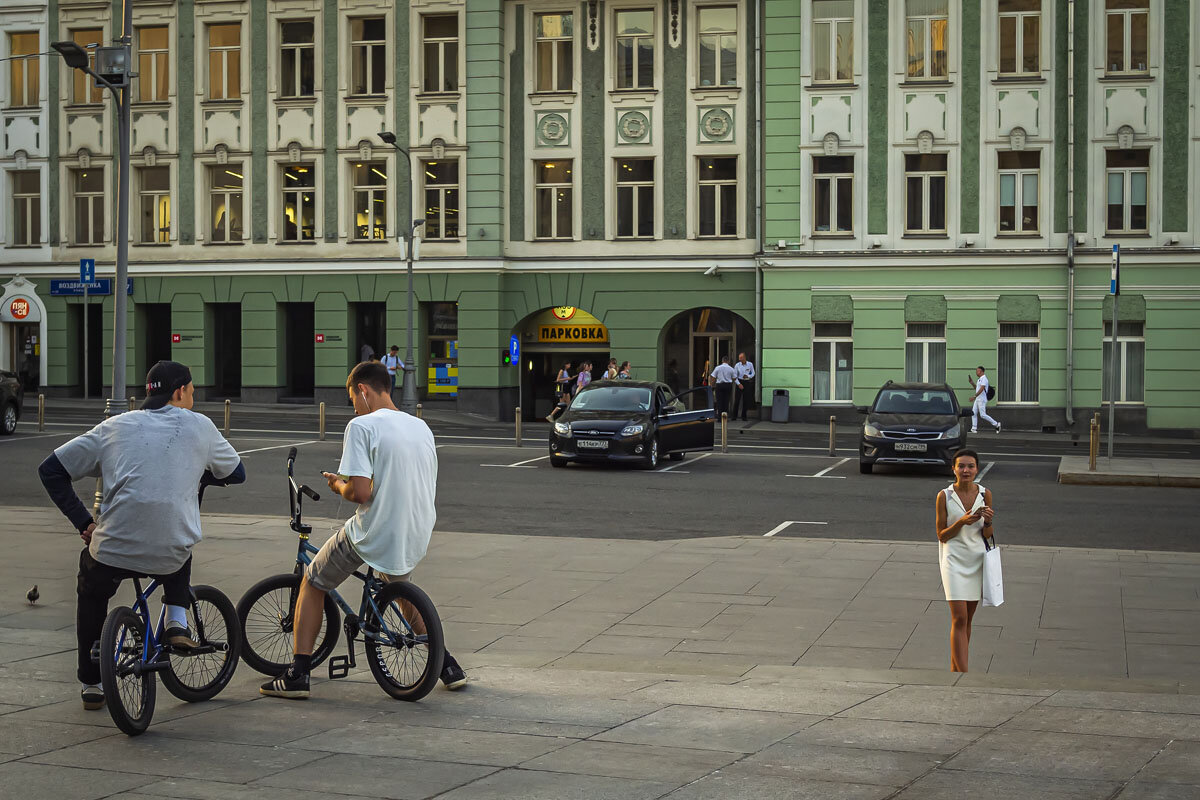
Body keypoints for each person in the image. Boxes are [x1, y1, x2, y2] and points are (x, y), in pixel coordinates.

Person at [37, 360, 246, 710]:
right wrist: (199, 476)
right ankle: (176, 624)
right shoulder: (201, 426)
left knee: (91, 593)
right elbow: (237, 472)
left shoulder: (114, 427)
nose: (193, 398)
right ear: (180, 391)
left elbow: (51, 470)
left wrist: (83, 523)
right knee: (180, 543)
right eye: (192, 391)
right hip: (169, 551)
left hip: (112, 546)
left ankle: (91, 680)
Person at [260, 360, 466, 699]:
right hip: (414, 528)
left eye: (352, 399)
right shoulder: (420, 427)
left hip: (373, 530)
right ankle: (445, 663)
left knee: (313, 581)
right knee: (398, 590)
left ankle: (298, 672)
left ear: (363, 390)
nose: (353, 407)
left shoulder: (362, 426)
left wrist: (338, 485)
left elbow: (361, 492)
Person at [935, 448, 996, 673]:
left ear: (977, 469)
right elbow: (941, 535)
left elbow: (988, 535)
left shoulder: (985, 494)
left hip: (977, 558)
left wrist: (987, 522)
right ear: (953, 469)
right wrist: (961, 522)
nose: (966, 470)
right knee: (959, 618)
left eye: (970, 466)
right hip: (953, 559)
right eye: (961, 466)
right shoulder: (945, 495)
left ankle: (955, 669)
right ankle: (964, 673)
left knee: (968, 619)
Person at [967, 366, 1001, 434]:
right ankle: (973, 429)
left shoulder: (984, 379)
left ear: (982, 371)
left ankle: (997, 424)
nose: (976, 372)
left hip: (981, 399)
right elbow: (977, 388)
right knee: (973, 413)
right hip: (978, 399)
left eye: (978, 371)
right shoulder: (979, 379)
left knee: (982, 415)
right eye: (976, 371)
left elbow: (982, 389)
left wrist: (974, 396)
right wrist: (972, 382)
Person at [732, 352, 756, 421]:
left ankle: (744, 416)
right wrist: (739, 384)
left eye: (741, 358)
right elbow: (734, 376)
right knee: (737, 400)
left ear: (744, 358)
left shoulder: (750, 364)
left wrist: (748, 376)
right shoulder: (737, 365)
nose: (739, 359)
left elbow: (753, 373)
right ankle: (734, 416)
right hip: (739, 381)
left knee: (746, 400)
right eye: (739, 358)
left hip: (747, 382)